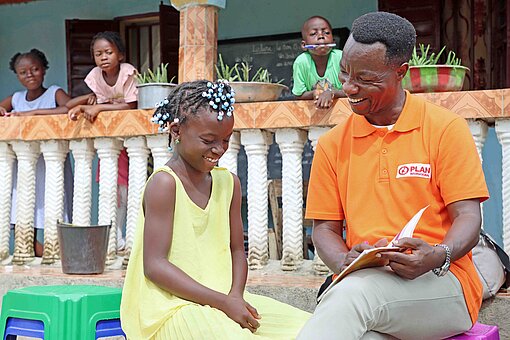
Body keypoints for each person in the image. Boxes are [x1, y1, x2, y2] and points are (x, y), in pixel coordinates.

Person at [298, 12, 489, 340]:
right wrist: (346, 259)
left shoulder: (445, 129)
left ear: (400, 72)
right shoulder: (332, 144)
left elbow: (469, 218)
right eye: (345, 72)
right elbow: (324, 231)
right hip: (367, 282)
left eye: (365, 78)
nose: (349, 87)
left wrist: (437, 255)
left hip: (444, 282)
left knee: (351, 297)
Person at [120, 80, 310, 339]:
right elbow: (154, 266)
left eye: (226, 139)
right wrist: (222, 303)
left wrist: (234, 297)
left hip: (222, 298)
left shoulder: (228, 183)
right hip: (172, 308)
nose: (219, 149)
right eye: (208, 140)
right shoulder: (165, 183)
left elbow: (236, 249)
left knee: (313, 328)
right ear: (176, 131)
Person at [67, 31, 138, 251]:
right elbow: (94, 101)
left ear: (121, 55)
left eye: (108, 52)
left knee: (131, 193)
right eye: (98, 54)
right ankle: (115, 239)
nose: (103, 57)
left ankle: (131, 237)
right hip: (111, 142)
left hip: (132, 140)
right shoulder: (95, 76)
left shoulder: (127, 73)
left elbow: (130, 105)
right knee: (111, 193)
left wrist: (97, 107)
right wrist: (84, 106)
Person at [0, 48, 73, 257]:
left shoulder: (54, 93)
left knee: (55, 207)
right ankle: (34, 252)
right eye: (23, 72)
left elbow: (68, 108)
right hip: (25, 167)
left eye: (34, 69)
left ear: (44, 70)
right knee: (23, 208)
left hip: (51, 165)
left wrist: (33, 113)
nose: (29, 75)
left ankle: (59, 253)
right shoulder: (16, 98)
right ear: (17, 75)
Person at [292, 16, 345, 109]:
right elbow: (299, 95)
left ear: (333, 41)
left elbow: (353, 90)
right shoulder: (301, 62)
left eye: (326, 33)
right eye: (313, 34)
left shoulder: (341, 58)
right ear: (304, 45)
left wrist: (331, 92)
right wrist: (316, 93)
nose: (321, 36)